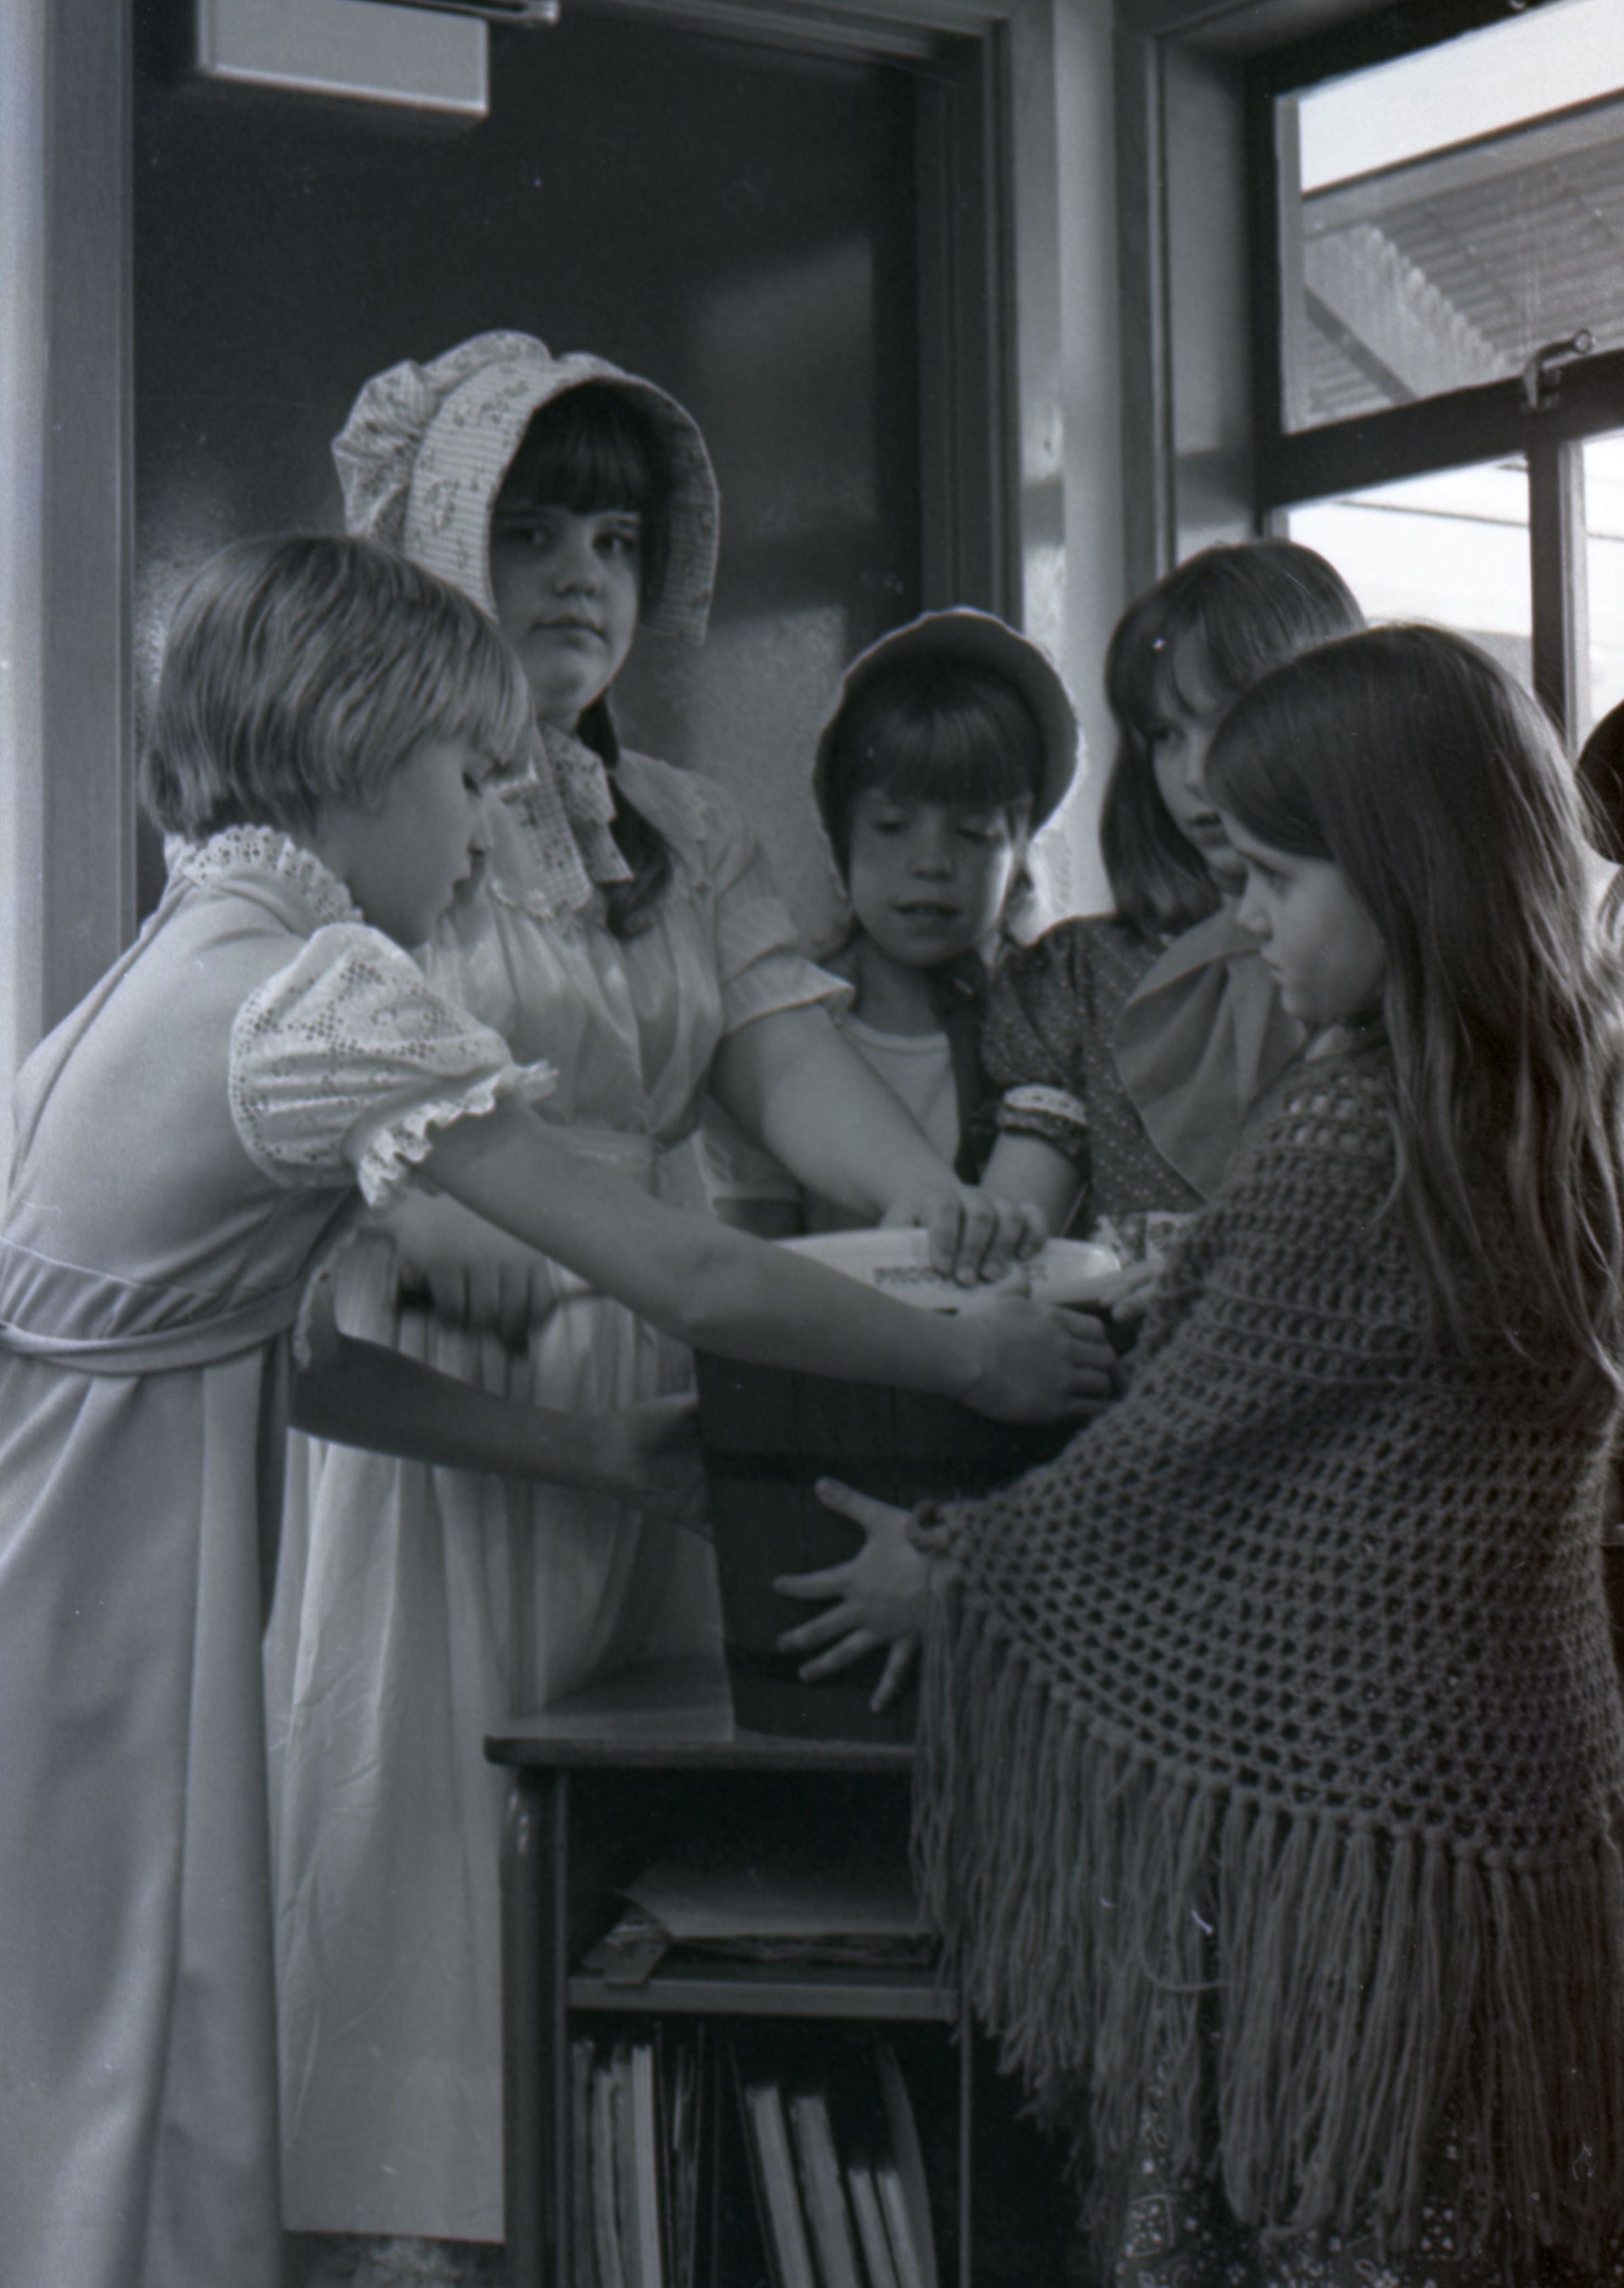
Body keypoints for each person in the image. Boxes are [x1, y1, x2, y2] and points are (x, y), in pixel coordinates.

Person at [0, 533, 1100, 2288]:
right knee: (127, 2084)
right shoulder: (315, 992)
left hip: (75, 1592)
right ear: (355, 749)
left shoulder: (172, 960)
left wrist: (592, 1451)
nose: (481, 830)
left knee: (114, 2088)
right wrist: (971, 1359)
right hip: (108, 1631)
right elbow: (692, 1277)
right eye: (466, 776)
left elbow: (308, 1364)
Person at [267, 332, 1086, 2281]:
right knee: (434, 1885)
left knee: (651, 1879)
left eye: (617, 541)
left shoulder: (688, 829)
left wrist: (933, 1202)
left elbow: (784, 1068)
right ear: (436, 538)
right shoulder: (355, 831)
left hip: (675, 1383)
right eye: (532, 529)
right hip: (458, 1402)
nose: (580, 576)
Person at [780, 625, 1624, 2285]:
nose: (1244, 924)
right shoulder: (1571, 1095)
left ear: (1406, 871)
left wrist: (947, 1566)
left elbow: (1176, 1457)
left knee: (1308, 2206)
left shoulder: (1356, 1124)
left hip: (1337, 1833)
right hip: (1521, 1793)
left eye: (1272, 881)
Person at [978, 539, 1361, 1260]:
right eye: (1164, 736)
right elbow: (1010, 1232)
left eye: (1229, 721)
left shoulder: (1385, 970)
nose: (1193, 774)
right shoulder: (1085, 975)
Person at [708, 607, 1080, 1236]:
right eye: (892, 827)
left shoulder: (1050, 1024)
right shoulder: (781, 1033)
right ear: (840, 841)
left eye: (972, 833)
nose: (931, 863)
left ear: (1020, 846)